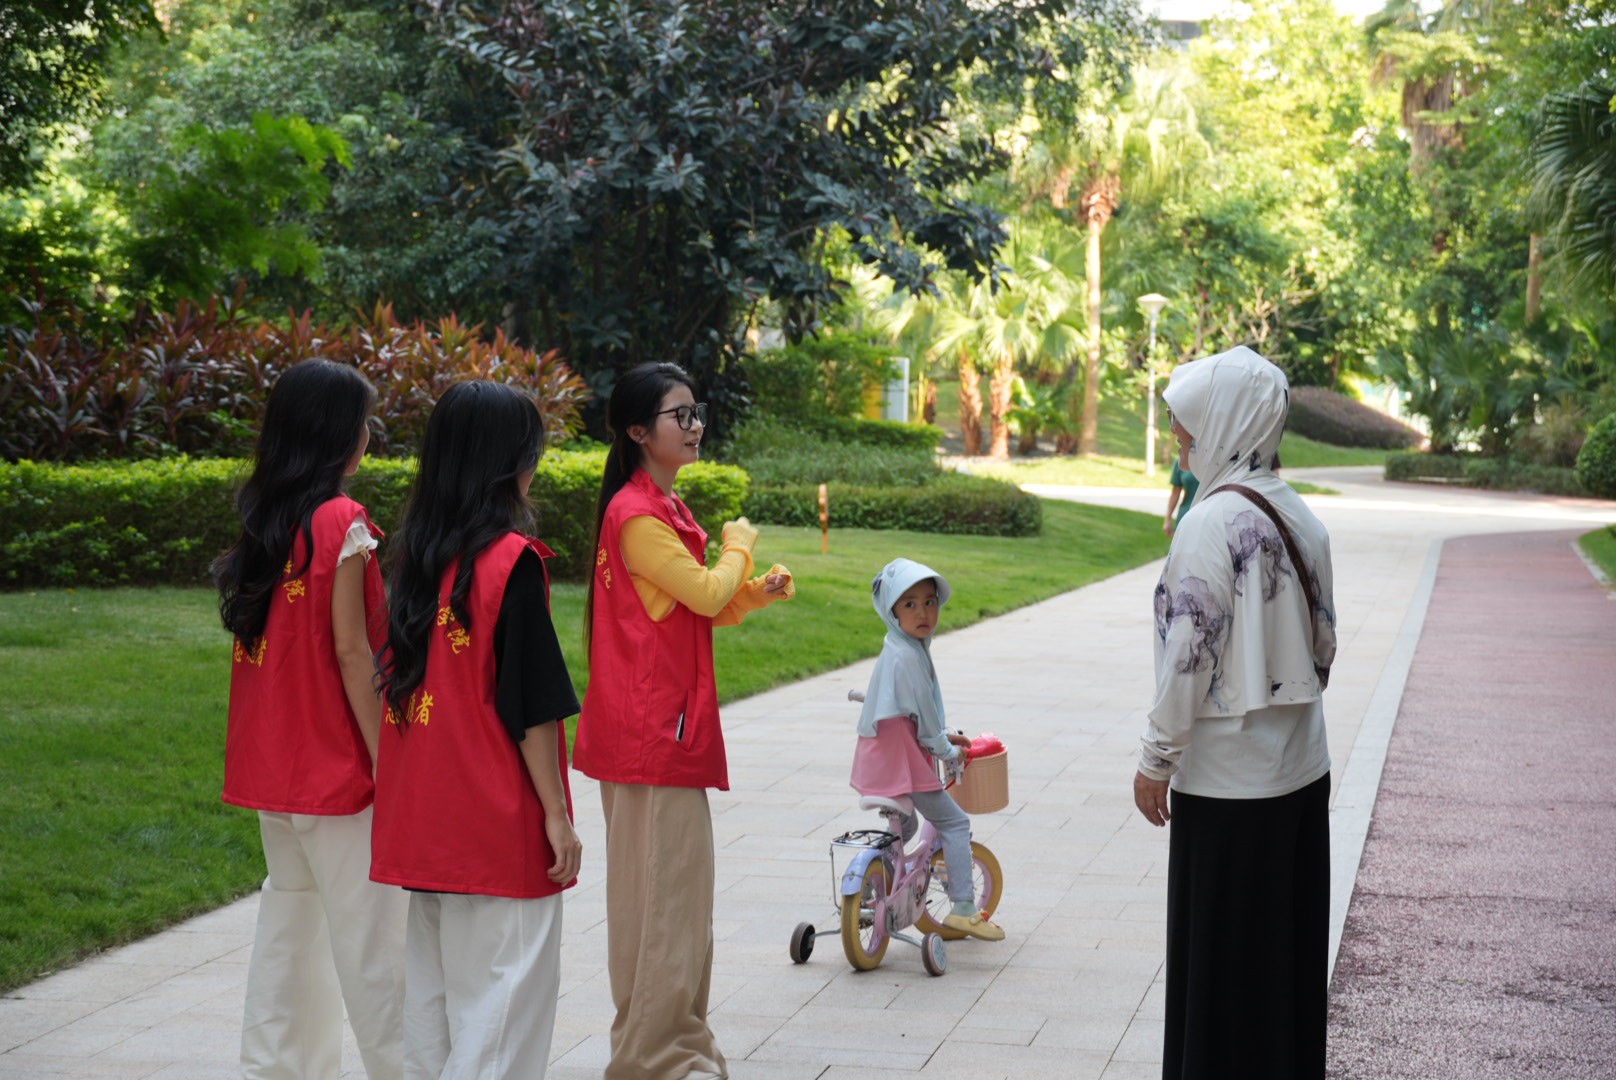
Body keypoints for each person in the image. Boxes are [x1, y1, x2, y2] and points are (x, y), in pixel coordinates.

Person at [574, 361, 795, 1080]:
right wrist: (739, 545)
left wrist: (753, 592)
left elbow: (690, 608)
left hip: (653, 732)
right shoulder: (638, 516)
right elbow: (702, 592)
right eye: (681, 415)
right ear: (640, 431)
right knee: (664, 903)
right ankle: (657, 1057)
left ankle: (667, 1047)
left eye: (697, 412)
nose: (695, 426)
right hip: (650, 737)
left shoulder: (659, 507)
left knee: (670, 901)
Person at [1132, 346, 1337, 1080]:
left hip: (1227, 790)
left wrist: (1155, 759)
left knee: (1219, 981)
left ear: (1225, 422)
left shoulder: (1208, 523)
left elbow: (1188, 658)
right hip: (1300, 774)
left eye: (1187, 423)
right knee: (1282, 970)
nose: (1178, 436)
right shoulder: (1300, 514)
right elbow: (1324, 646)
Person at [371, 381, 583, 1079]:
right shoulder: (510, 563)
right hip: (495, 824)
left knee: (432, 1013)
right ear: (509, 461)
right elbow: (532, 708)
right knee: (502, 1013)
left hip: (423, 819)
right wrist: (557, 817)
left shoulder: (415, 560)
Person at [213, 359, 406, 1080]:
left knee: (291, 934)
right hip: (337, 770)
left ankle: (279, 1069)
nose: (368, 434)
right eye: (363, 422)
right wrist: (388, 760)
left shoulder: (267, 517)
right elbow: (354, 653)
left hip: (276, 768)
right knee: (376, 945)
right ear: (335, 434)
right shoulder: (339, 521)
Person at [850, 558, 1005, 941]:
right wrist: (947, 750)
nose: (922, 613)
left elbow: (909, 710)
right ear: (892, 611)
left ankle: (881, 885)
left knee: (905, 827)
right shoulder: (910, 658)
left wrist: (941, 735)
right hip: (904, 764)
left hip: (880, 762)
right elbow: (925, 717)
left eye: (930, 602)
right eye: (910, 604)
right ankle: (964, 909)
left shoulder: (897, 645)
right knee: (955, 823)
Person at [1163, 458, 1198, 536]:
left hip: (1209, 518)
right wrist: (1167, 519)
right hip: (1185, 515)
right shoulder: (1181, 461)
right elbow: (1175, 492)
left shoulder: (1213, 459)